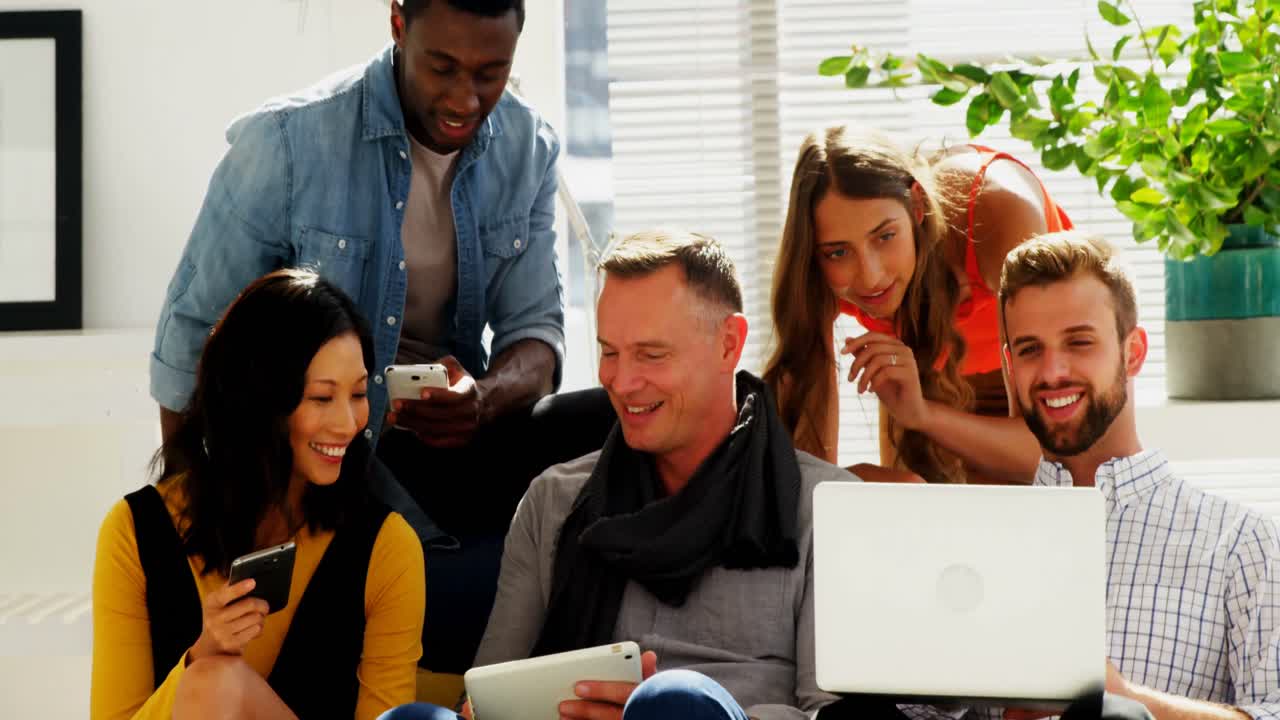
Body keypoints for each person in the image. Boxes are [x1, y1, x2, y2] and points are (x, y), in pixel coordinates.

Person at [149, 0, 611, 672]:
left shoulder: (526, 146)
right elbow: (186, 352)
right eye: (443, 67)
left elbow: (537, 338)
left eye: (491, 71)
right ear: (398, 24)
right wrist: (197, 548)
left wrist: (482, 397)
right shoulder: (284, 145)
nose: (464, 98)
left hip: (459, 434)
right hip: (332, 454)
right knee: (457, 583)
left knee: (614, 420)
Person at [378, 230, 851, 720]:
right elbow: (483, 700)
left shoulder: (828, 509)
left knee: (673, 703)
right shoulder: (554, 500)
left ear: (729, 344)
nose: (621, 383)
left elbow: (840, 717)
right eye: (609, 352)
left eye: (651, 354)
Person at [946, 231, 1280, 719]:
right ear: (1008, 370)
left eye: (1079, 342)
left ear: (1133, 353)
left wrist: (1129, 701)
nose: (1053, 371)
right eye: (1030, 349)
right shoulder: (971, 544)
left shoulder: (1239, 543)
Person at [92, 270, 425, 720]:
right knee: (210, 681)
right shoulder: (134, 532)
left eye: (360, 394)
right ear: (258, 400)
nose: (350, 423)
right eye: (322, 398)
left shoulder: (387, 547)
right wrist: (199, 656)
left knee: (216, 685)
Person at [763, 127, 1074, 485]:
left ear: (916, 205)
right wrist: (844, 483)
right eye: (838, 252)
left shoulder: (999, 214)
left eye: (885, 236)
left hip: (1025, 385)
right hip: (920, 372)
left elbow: (1050, 458)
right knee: (910, 505)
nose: (870, 277)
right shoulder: (818, 271)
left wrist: (924, 415)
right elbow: (809, 480)